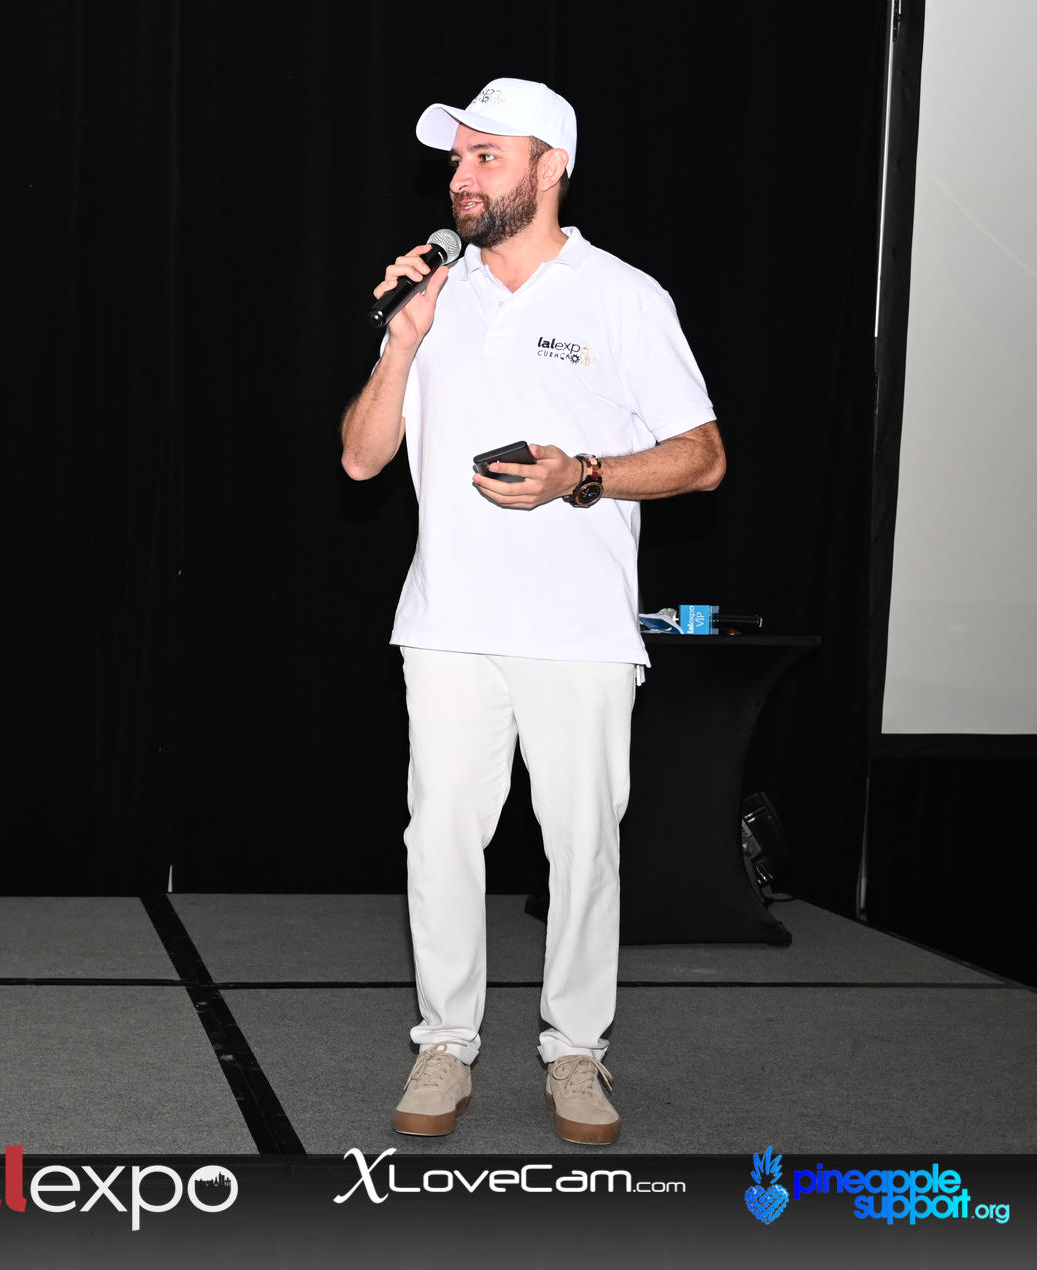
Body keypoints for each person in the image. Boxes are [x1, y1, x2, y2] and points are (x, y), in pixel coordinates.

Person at [339, 79, 725, 1145]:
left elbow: (702, 458)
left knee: (583, 846)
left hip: (579, 628)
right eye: (455, 161)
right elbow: (361, 458)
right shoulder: (433, 294)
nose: (460, 179)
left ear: (551, 167)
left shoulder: (622, 297)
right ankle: (443, 1043)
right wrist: (403, 339)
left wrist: (582, 475)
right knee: (438, 838)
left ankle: (575, 1053)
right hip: (448, 620)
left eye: (485, 158)